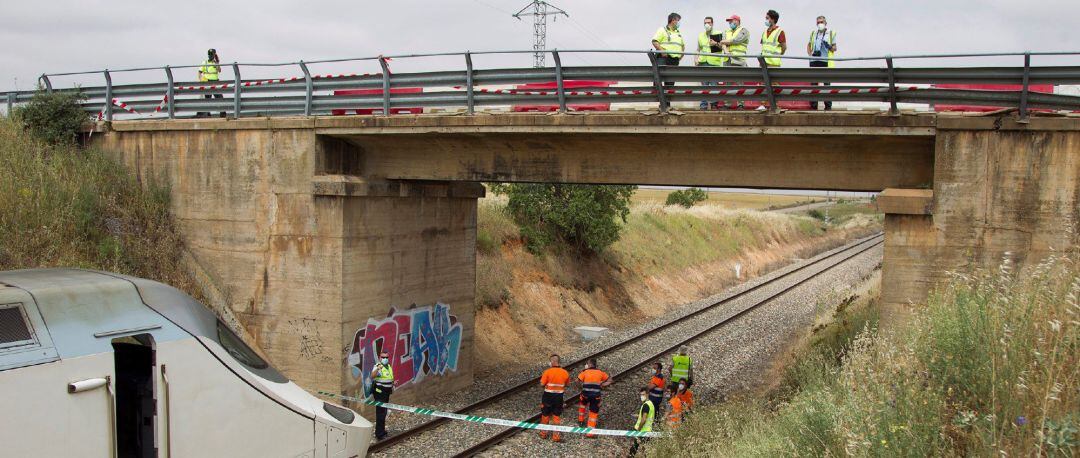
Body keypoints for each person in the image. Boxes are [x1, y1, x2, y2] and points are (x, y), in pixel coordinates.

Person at [757, 9, 786, 112]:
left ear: (773, 19)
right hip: (763, 62)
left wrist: (778, 55)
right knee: (762, 83)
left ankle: (775, 105)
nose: (766, 20)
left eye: (767, 18)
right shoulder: (765, 32)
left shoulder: (780, 31)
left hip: (774, 63)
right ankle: (762, 105)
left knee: (774, 84)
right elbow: (764, 46)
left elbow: (784, 47)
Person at [718, 14, 749, 109]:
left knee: (740, 83)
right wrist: (726, 50)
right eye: (729, 21)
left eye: (731, 21)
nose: (730, 23)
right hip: (727, 60)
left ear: (737, 21)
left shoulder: (744, 30)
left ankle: (740, 104)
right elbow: (722, 43)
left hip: (738, 60)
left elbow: (737, 40)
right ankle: (727, 104)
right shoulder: (726, 31)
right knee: (727, 83)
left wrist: (724, 42)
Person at [807, 15, 837, 110]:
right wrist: (810, 54)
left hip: (825, 60)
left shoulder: (830, 33)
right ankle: (813, 105)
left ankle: (828, 105)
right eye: (818, 22)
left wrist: (828, 46)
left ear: (825, 23)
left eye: (822, 22)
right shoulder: (813, 33)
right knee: (813, 84)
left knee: (826, 84)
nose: (820, 24)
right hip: (814, 60)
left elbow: (834, 48)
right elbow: (809, 45)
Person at [576, 358, 612, 438]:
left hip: (585, 395)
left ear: (589, 364)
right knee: (593, 412)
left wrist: (580, 388)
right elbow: (610, 380)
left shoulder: (584, 372)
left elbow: (577, 381)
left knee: (582, 405)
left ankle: (581, 420)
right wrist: (602, 385)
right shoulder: (600, 373)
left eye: (587, 364)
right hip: (596, 396)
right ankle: (590, 432)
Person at [538, 354, 570, 442]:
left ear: (553, 361)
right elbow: (567, 384)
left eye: (550, 361)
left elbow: (541, 384)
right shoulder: (565, 372)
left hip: (548, 397)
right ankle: (556, 436)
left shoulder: (547, 372)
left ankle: (543, 434)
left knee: (545, 415)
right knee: (556, 416)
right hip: (559, 397)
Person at [651, 12, 685, 91]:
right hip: (663, 58)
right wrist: (662, 51)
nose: (679, 22)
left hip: (674, 61)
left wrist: (680, 56)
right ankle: (658, 101)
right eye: (678, 20)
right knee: (658, 80)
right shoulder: (662, 30)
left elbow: (682, 46)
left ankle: (667, 103)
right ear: (673, 20)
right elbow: (655, 41)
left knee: (670, 83)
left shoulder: (678, 33)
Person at [696, 16, 724, 110]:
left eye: (709, 22)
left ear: (712, 23)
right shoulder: (701, 35)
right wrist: (696, 59)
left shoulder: (718, 33)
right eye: (705, 23)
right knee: (704, 86)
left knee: (714, 85)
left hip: (714, 63)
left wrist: (715, 43)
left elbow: (722, 47)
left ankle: (714, 105)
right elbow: (698, 49)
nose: (707, 24)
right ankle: (703, 105)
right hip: (703, 62)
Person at [369, 350, 395, 441]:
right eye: (383, 357)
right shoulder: (378, 366)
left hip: (386, 392)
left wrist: (393, 384)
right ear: (380, 358)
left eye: (386, 357)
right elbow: (372, 376)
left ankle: (382, 431)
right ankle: (379, 434)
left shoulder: (388, 367)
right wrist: (378, 369)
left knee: (383, 412)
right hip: (379, 392)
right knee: (380, 413)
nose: (385, 359)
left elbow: (389, 378)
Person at [628, 387, 656, 456]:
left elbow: (644, 419)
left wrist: (639, 430)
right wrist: (638, 415)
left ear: (647, 394)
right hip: (648, 430)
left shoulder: (646, 405)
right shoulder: (651, 404)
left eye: (643, 395)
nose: (641, 396)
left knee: (634, 448)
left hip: (642, 430)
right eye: (641, 395)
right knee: (644, 449)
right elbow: (648, 416)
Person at [197, 49, 225, 118]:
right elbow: (199, 72)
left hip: (216, 82)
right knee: (207, 99)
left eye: (211, 54)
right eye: (209, 54)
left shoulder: (215, 63)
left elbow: (219, 70)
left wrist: (217, 62)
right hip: (207, 82)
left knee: (220, 98)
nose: (210, 56)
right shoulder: (205, 62)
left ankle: (223, 113)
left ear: (214, 55)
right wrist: (201, 81)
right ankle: (208, 114)